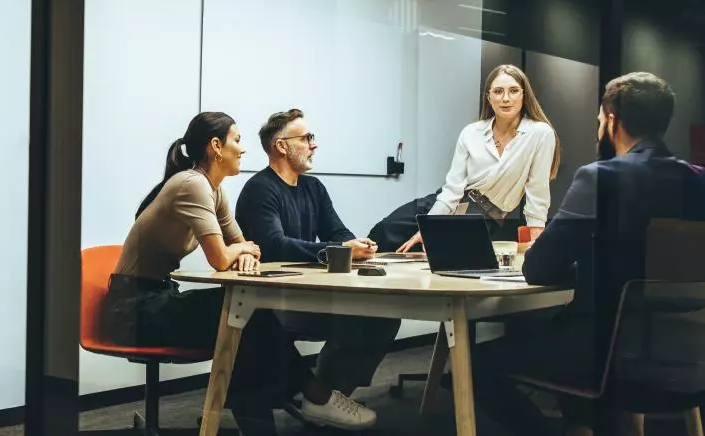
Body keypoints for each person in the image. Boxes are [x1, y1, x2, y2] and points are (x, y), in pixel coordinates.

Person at [466, 72, 705, 436]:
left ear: (611, 120)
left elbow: (540, 268)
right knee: (561, 332)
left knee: (471, 364)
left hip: (611, 355)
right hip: (688, 353)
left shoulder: (601, 177)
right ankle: (582, 425)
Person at [107, 112, 375, 431]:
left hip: (159, 296)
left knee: (246, 315)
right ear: (216, 146)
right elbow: (221, 258)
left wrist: (244, 251)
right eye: (237, 140)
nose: (243, 149)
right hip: (131, 309)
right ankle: (315, 398)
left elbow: (247, 244)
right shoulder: (192, 185)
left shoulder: (214, 190)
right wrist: (240, 251)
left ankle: (272, 414)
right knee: (247, 315)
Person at [234, 108, 401, 413]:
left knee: (383, 317)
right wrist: (338, 251)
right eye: (307, 137)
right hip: (273, 304)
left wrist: (358, 246)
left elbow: (336, 231)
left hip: (308, 296)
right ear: (281, 146)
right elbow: (275, 246)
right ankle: (321, 399)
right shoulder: (260, 189)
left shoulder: (313, 187)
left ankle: (328, 397)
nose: (314, 144)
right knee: (359, 320)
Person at [399, 64, 560, 252]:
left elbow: (537, 191)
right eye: (498, 91)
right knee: (385, 233)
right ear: (489, 97)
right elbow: (452, 190)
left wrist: (537, 239)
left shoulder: (540, 133)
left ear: (524, 95)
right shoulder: (471, 132)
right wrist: (429, 228)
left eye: (514, 91)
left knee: (443, 266)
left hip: (479, 220)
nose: (506, 98)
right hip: (440, 207)